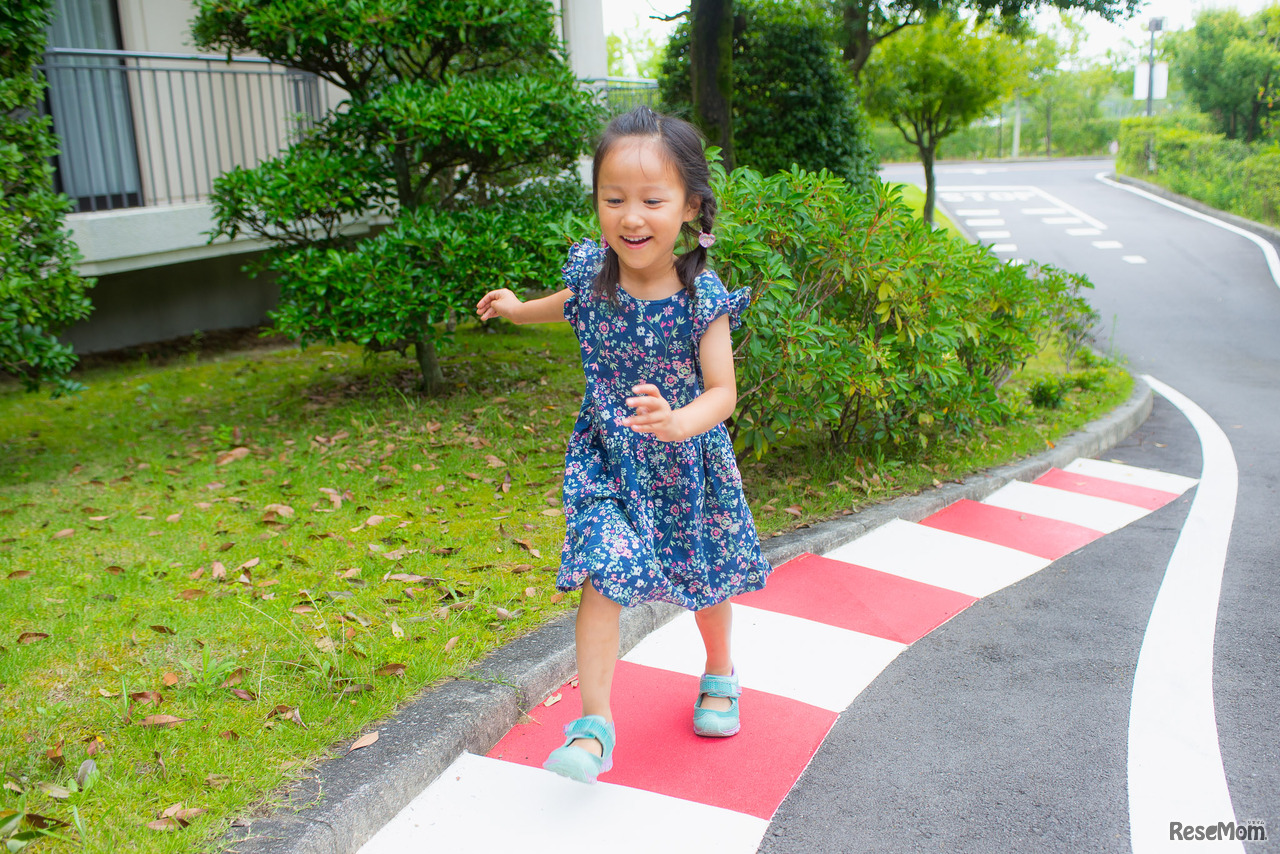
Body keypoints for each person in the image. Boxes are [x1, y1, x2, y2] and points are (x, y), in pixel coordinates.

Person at [475, 106, 772, 784]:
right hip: (608, 460)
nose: (631, 217)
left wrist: (681, 420)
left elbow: (723, 391)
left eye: (651, 200)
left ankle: (721, 672)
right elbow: (566, 303)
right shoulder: (591, 275)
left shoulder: (702, 297)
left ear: (692, 207)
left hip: (685, 463)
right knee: (598, 573)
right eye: (614, 200)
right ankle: (594, 727)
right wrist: (520, 309)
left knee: (706, 576)